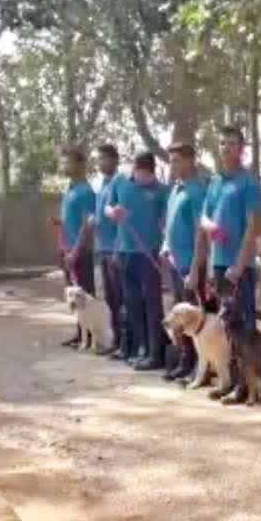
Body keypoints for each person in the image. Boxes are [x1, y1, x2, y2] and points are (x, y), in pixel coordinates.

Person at [190, 126, 261, 404]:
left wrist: (239, 266)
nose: (226, 148)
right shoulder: (216, 182)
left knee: (245, 328)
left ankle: (248, 386)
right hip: (220, 264)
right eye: (222, 143)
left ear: (241, 148)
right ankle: (230, 381)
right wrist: (210, 227)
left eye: (232, 144)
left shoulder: (248, 183)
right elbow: (205, 218)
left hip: (239, 268)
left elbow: (253, 226)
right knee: (227, 328)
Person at [106, 152, 170, 371]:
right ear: (134, 170)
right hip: (125, 252)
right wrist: (113, 212)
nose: (145, 178)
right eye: (141, 173)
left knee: (152, 303)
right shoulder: (120, 183)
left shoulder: (161, 191)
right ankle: (140, 349)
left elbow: (165, 221)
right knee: (131, 302)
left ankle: (156, 353)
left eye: (149, 174)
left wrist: (164, 245)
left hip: (148, 253)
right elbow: (108, 206)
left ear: (154, 171)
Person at [161, 141, 209, 383]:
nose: (173, 165)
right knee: (179, 319)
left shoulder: (197, 191)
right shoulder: (176, 189)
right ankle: (185, 361)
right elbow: (170, 225)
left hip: (190, 267)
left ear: (191, 161)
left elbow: (200, 233)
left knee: (193, 320)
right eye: (171, 161)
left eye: (177, 160)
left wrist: (195, 270)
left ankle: (198, 367)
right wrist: (165, 248)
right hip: (174, 263)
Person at [56, 146, 97, 348]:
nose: (63, 166)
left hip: (80, 252)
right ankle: (80, 332)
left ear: (81, 165)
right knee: (73, 294)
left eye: (67, 162)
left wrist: (75, 251)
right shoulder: (70, 189)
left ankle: (90, 335)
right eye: (62, 162)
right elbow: (71, 220)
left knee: (84, 295)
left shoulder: (86, 192)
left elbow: (87, 225)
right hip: (66, 248)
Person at [92, 144, 129, 358]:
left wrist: (116, 249)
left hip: (116, 250)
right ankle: (117, 341)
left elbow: (122, 218)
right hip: (102, 249)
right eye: (99, 159)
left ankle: (126, 344)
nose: (100, 163)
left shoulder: (120, 182)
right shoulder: (102, 185)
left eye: (104, 158)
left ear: (115, 160)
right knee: (111, 299)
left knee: (122, 299)